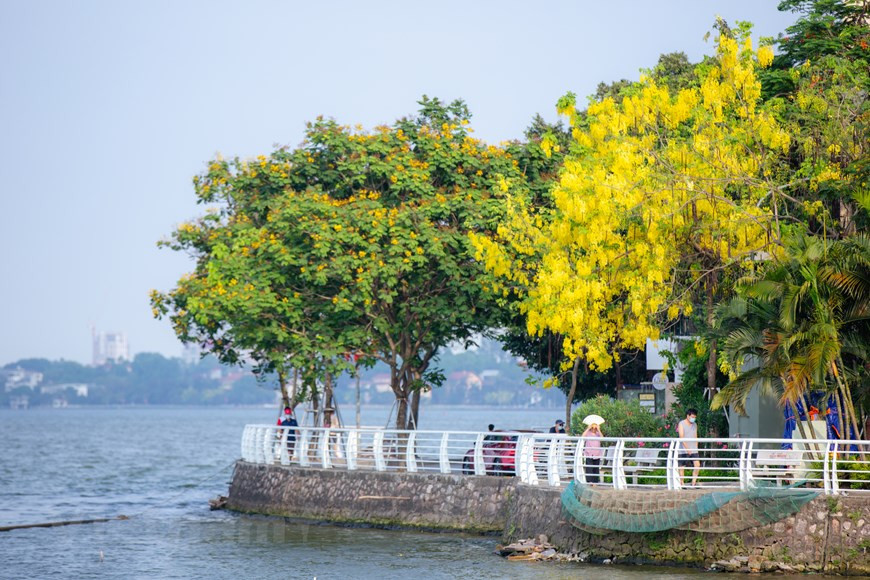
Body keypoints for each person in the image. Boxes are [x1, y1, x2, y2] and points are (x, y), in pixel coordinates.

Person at [677, 408, 700, 487]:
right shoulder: (681, 423)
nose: (693, 418)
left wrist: (696, 448)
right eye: (692, 417)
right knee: (682, 467)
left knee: (697, 465)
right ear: (688, 416)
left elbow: (695, 436)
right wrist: (687, 448)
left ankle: (693, 483)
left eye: (694, 417)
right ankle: (682, 483)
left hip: (693, 448)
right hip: (683, 449)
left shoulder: (695, 425)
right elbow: (681, 437)